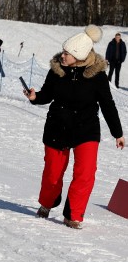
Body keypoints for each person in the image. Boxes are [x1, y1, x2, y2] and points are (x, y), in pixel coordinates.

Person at [23, 25, 124, 229]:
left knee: (85, 173)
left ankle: (73, 215)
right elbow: (47, 94)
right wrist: (35, 97)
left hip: (86, 128)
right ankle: (47, 203)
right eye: (63, 51)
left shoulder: (97, 76)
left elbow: (107, 104)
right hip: (57, 126)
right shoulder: (57, 71)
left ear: (79, 56)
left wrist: (117, 133)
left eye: (67, 53)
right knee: (52, 173)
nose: (63, 55)